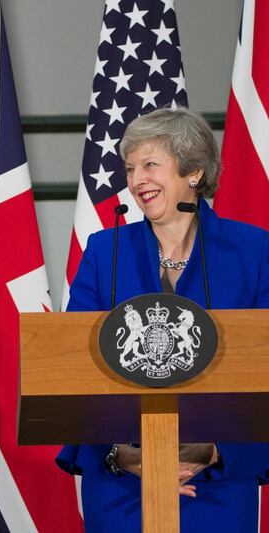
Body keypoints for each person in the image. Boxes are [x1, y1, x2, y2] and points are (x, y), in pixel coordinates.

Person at [57, 107, 269, 532]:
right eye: (130, 167)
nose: (136, 180)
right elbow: (69, 368)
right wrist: (121, 454)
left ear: (193, 171)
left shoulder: (253, 250)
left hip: (217, 483)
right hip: (121, 485)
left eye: (150, 164)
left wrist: (214, 451)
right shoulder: (105, 252)